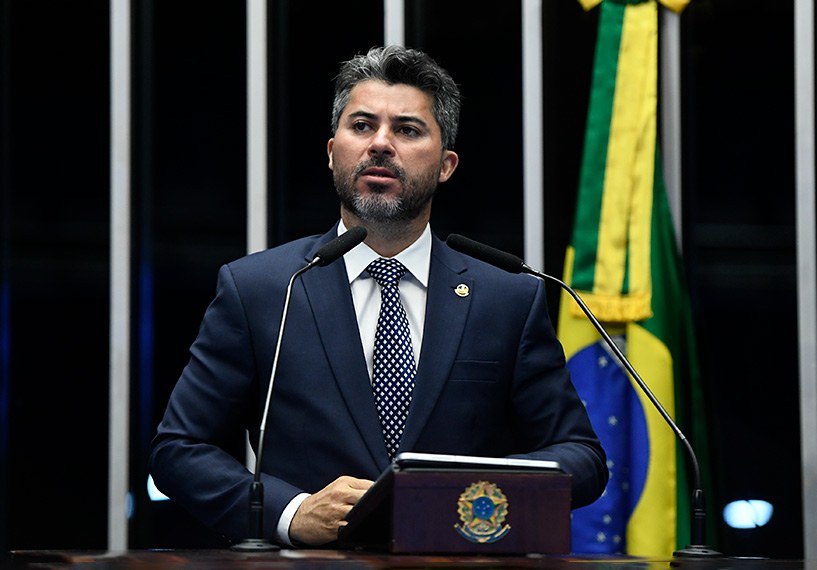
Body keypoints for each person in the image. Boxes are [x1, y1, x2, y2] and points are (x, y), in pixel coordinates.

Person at [150, 45, 607, 548]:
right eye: (362, 126)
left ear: (447, 165)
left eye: (408, 130)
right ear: (331, 152)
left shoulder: (506, 297)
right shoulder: (264, 288)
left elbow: (581, 457)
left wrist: (464, 491)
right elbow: (179, 449)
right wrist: (291, 511)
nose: (381, 144)